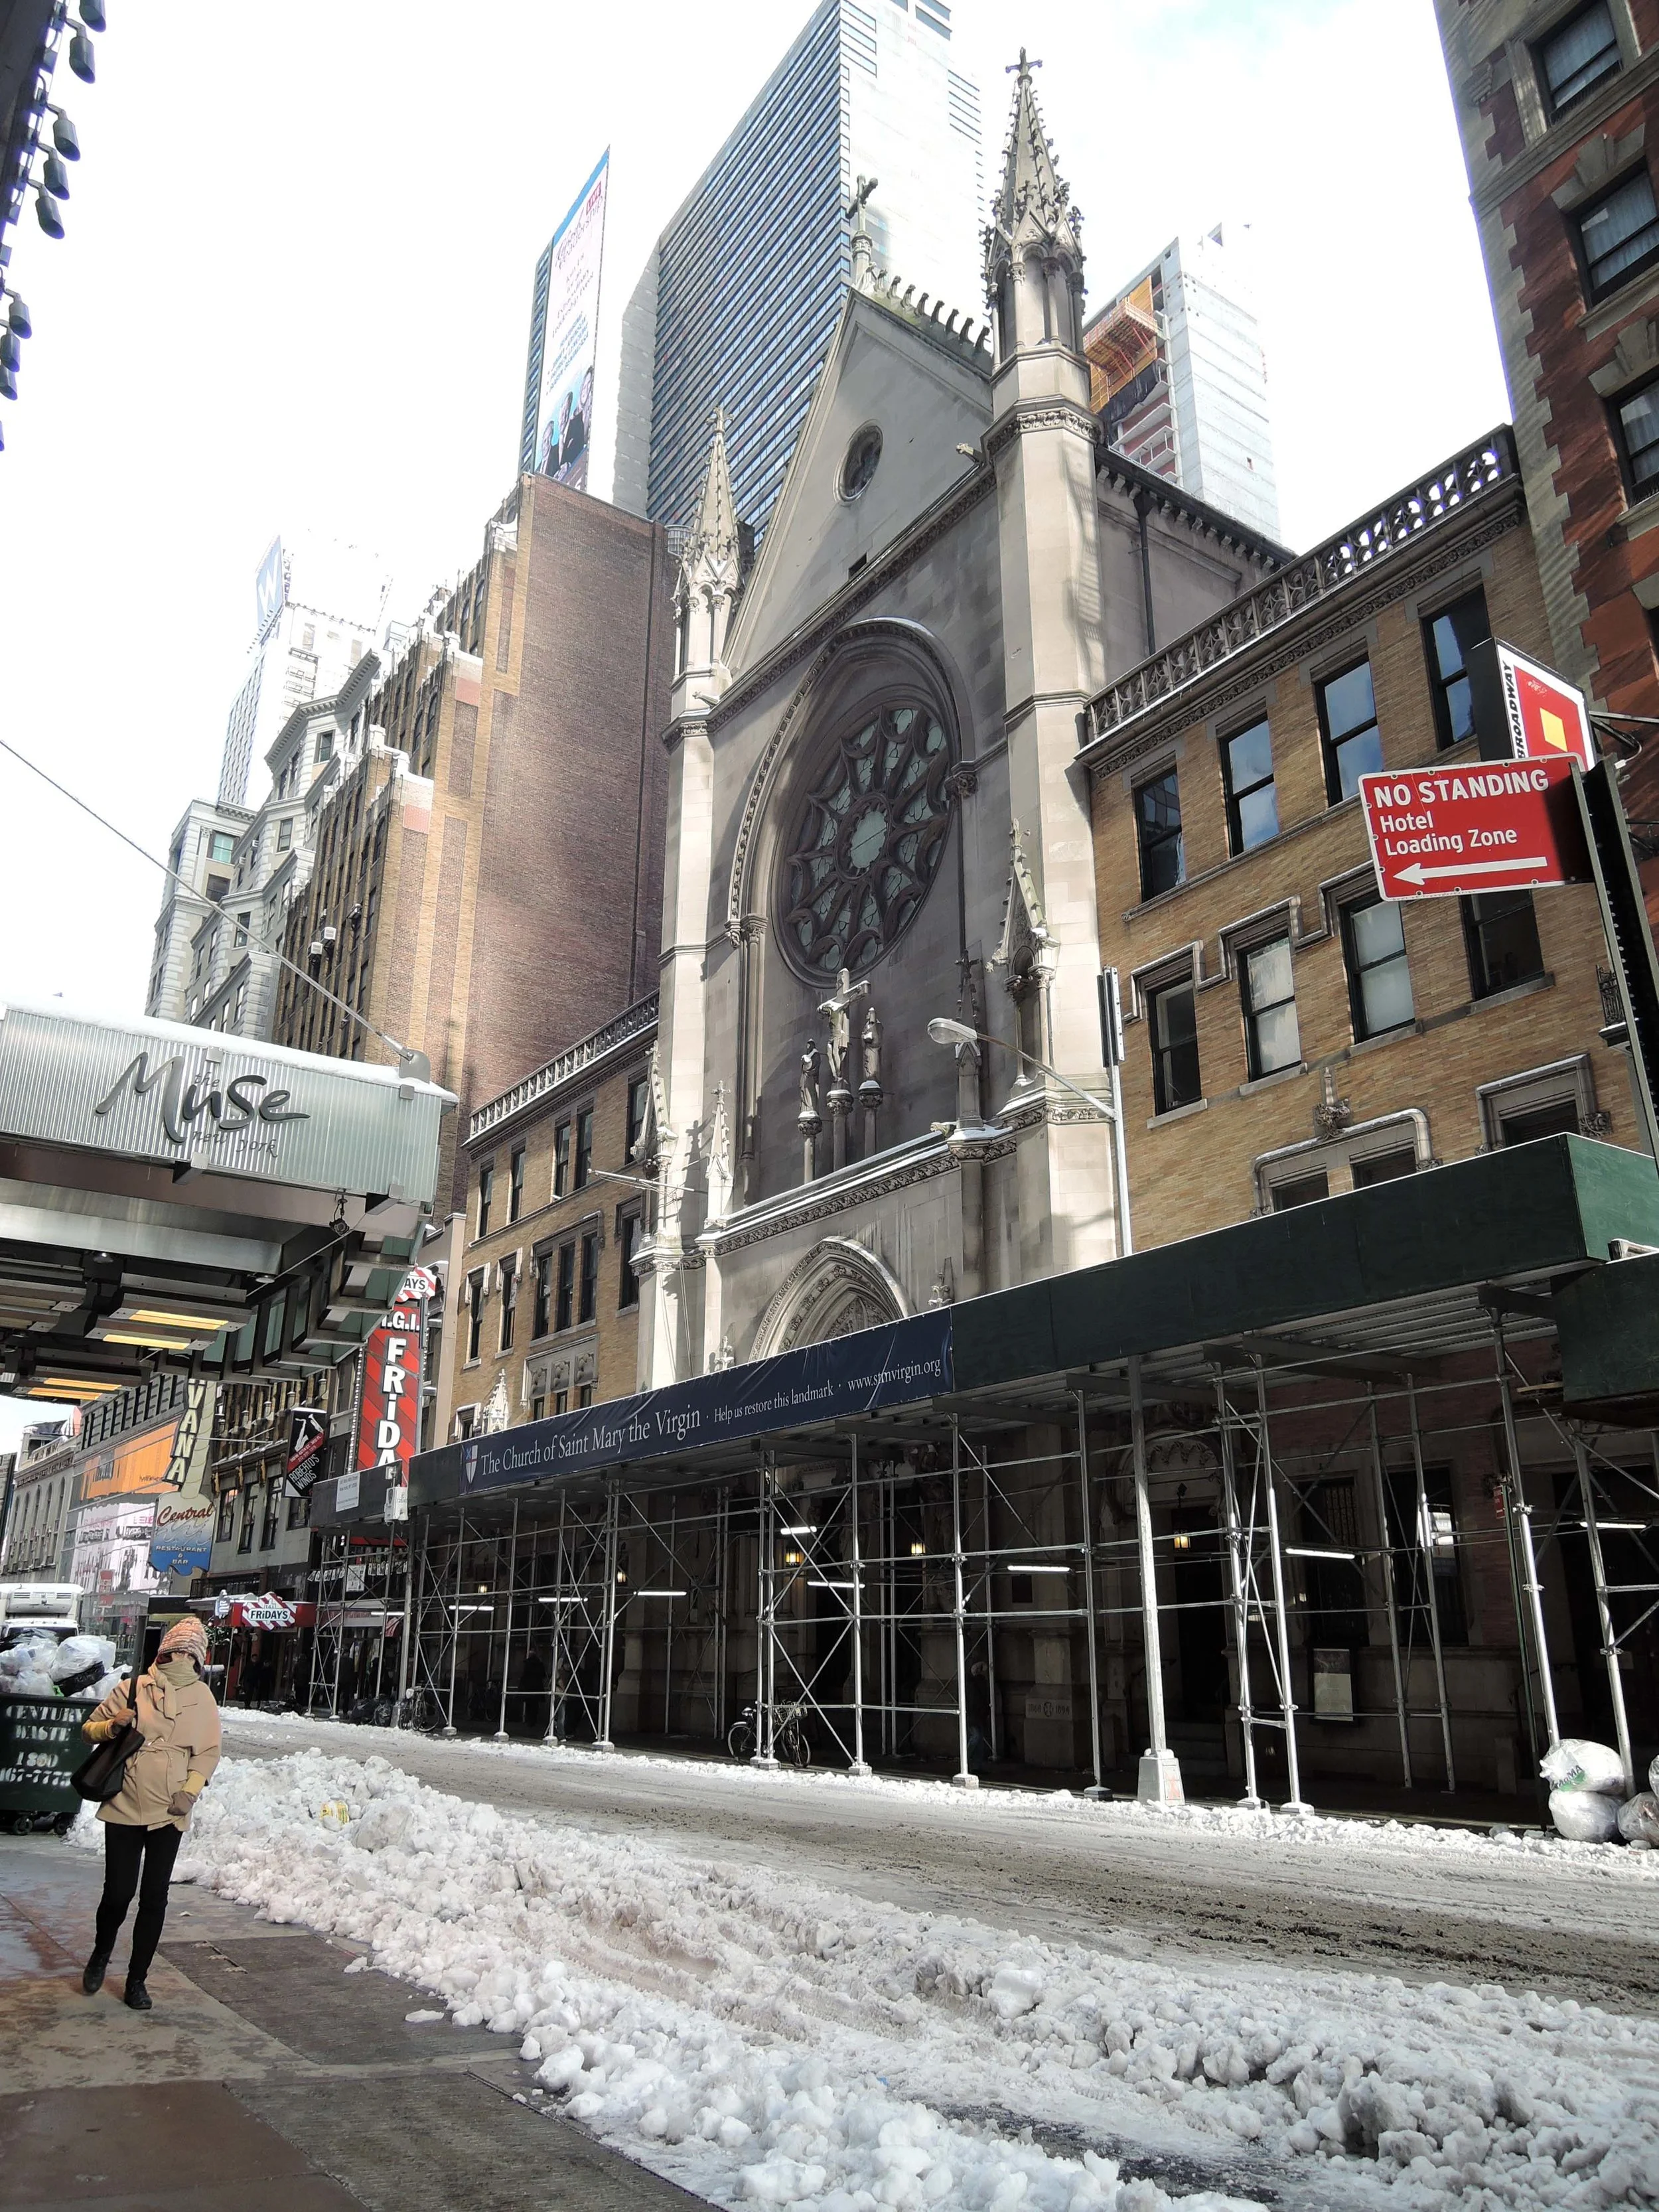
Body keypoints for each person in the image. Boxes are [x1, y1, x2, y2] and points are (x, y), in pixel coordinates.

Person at [78, 1615, 222, 2011]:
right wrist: (112, 1726)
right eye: (176, 1653)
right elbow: (88, 1729)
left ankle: (137, 1980)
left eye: (190, 1655)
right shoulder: (132, 1688)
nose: (182, 1660)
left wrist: (190, 1792)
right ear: (163, 1653)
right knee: (118, 1893)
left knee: (155, 1897)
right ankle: (100, 1954)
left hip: (171, 1808)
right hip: (125, 1799)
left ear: (199, 1659)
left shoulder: (203, 1699)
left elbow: (207, 1752)